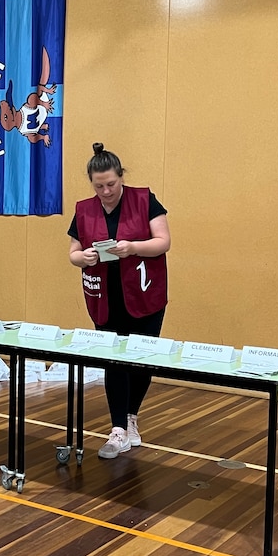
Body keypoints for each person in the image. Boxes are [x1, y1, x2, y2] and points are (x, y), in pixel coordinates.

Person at [68, 144, 170, 459]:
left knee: (141, 359)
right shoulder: (84, 209)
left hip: (144, 293)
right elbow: (73, 253)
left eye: (111, 184)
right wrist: (81, 257)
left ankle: (131, 417)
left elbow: (163, 241)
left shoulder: (145, 200)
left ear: (121, 177)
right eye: (99, 186)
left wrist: (134, 247)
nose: (106, 191)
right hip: (105, 296)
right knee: (113, 360)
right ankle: (117, 430)